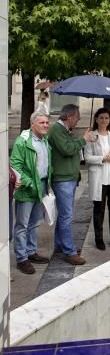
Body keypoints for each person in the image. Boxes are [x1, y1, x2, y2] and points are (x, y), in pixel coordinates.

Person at [47, 104, 94, 265]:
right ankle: (69, 251)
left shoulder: (65, 130)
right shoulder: (56, 131)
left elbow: (73, 149)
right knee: (67, 216)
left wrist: (82, 139)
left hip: (69, 178)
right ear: (69, 117)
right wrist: (83, 140)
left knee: (64, 215)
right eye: (77, 117)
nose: (79, 119)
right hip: (62, 179)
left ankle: (61, 245)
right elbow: (67, 149)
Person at [10, 111, 52, 274]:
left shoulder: (45, 140)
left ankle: (31, 252)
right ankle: (22, 259)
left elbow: (46, 164)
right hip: (27, 189)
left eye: (47, 123)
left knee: (34, 223)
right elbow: (15, 165)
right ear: (32, 123)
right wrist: (29, 183)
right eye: (42, 123)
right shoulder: (23, 141)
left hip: (41, 185)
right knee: (22, 224)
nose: (46, 125)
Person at [84, 107, 110, 250]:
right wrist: (103, 158)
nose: (104, 120)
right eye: (101, 118)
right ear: (96, 119)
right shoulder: (92, 136)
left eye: (106, 118)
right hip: (99, 179)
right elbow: (87, 157)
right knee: (99, 210)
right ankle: (99, 238)